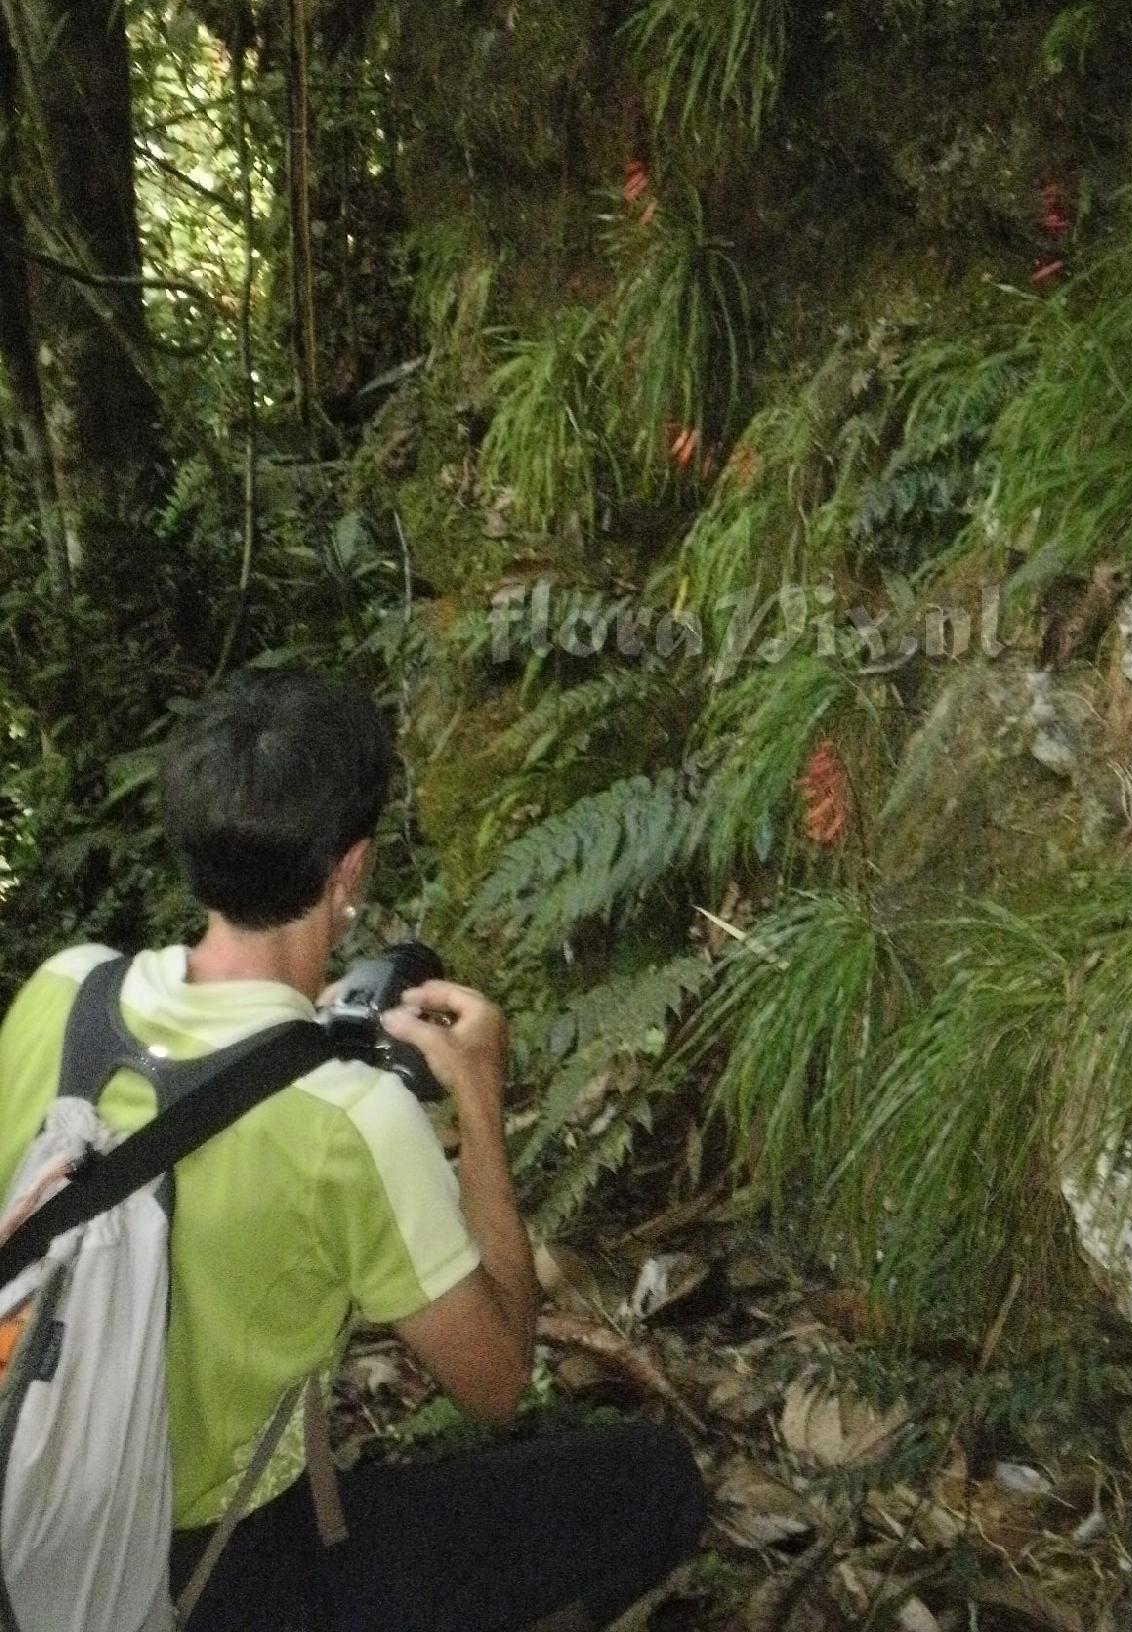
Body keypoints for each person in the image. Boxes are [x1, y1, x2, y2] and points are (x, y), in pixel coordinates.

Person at [0, 669, 706, 1632]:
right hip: (208, 1580)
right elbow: (496, 1381)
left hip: (25, 1509)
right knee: (649, 1481)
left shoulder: (62, 990)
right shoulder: (352, 1116)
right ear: (351, 870)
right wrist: (481, 1112)